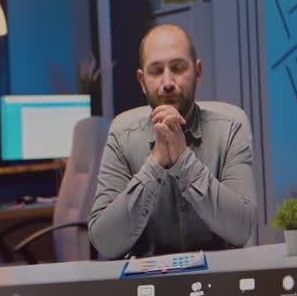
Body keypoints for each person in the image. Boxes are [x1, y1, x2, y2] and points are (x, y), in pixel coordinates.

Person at [89, 22, 257, 258]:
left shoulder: (230, 129)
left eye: (178, 68)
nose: (167, 82)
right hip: (147, 285)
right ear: (142, 81)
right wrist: (155, 164)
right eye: (156, 71)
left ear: (197, 73)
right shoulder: (122, 135)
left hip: (219, 280)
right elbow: (105, 242)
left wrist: (183, 160)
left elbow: (242, 230)